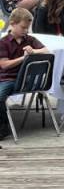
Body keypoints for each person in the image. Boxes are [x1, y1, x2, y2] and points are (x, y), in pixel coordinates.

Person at [0, 8, 49, 140]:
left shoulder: (30, 40)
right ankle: (4, 124)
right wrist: (24, 58)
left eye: (27, 28)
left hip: (22, 80)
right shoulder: (3, 43)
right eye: (23, 27)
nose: (26, 31)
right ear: (12, 23)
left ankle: (3, 127)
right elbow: (4, 65)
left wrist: (33, 51)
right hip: (8, 78)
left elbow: (46, 50)